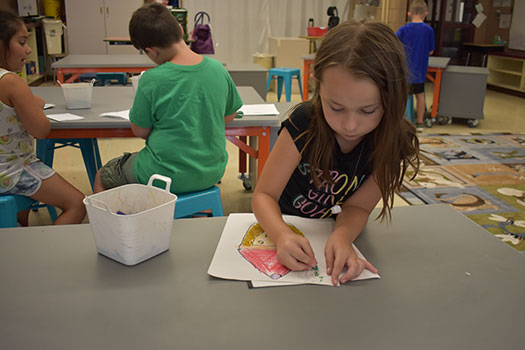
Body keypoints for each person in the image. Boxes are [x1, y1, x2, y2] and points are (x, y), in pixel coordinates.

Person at [252, 21, 420, 286]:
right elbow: (263, 195)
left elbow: (359, 206)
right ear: (318, 86)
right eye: (336, 107)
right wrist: (281, 234)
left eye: (368, 110)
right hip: (280, 222)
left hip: (326, 230)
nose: (350, 125)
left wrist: (342, 236)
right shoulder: (304, 123)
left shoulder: (393, 141)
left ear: (393, 98)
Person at [93, 3, 242, 194]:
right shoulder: (218, 69)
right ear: (180, 30)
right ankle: (193, 211)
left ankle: (128, 222)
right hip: (212, 171)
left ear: (152, 51)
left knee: (103, 176)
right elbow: (229, 116)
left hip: (163, 174)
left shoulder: (152, 79)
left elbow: (140, 130)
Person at [0, 10, 86, 225]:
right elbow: (41, 130)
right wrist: (31, 105)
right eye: (21, 42)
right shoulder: (11, 82)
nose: (28, 49)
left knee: (19, 210)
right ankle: (46, 249)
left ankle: (19, 230)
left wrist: (27, 101)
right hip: (12, 169)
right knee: (77, 203)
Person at [396, 0, 435, 133]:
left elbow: (395, 46)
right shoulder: (429, 30)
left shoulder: (403, 30)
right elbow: (431, 50)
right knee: (420, 95)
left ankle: (401, 121)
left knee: (402, 96)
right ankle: (419, 123)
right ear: (426, 13)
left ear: (409, 13)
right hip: (420, 70)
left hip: (405, 70)